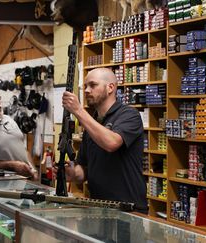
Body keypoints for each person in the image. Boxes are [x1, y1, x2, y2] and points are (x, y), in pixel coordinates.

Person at [58, 67, 148, 213]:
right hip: (99, 208)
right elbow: (85, 170)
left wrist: (79, 111)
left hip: (128, 209)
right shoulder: (92, 122)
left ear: (110, 88)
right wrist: (72, 172)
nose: (87, 90)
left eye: (93, 85)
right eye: (86, 86)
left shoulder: (129, 115)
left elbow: (111, 143)